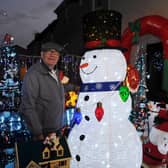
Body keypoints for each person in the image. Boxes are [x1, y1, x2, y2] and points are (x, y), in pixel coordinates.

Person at [19, 42, 65, 141]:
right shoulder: (33, 75)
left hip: (56, 129)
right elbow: (28, 106)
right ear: (41, 54)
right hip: (43, 133)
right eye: (49, 51)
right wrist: (38, 133)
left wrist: (76, 88)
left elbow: (55, 89)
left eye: (56, 52)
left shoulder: (54, 72)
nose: (53, 54)